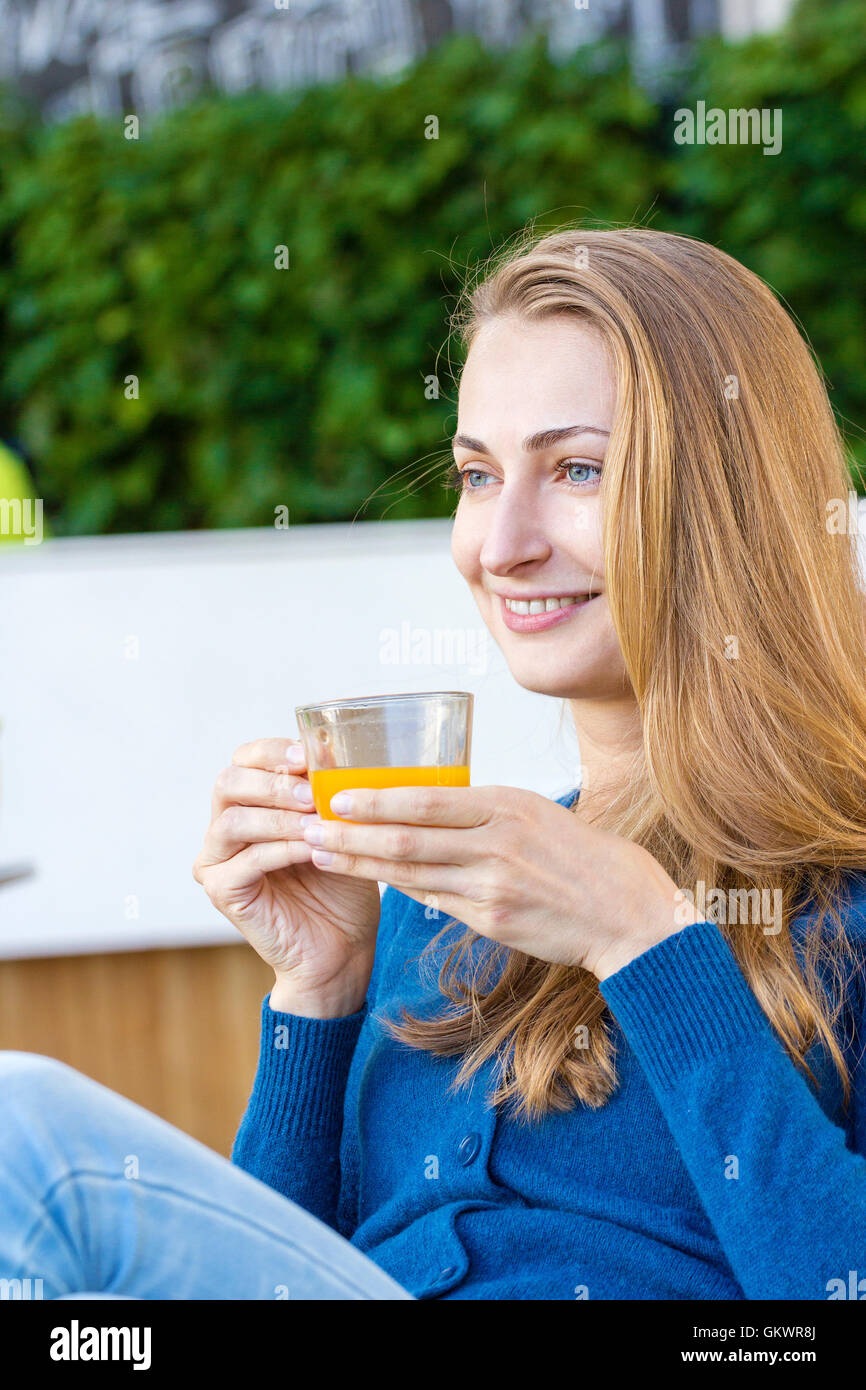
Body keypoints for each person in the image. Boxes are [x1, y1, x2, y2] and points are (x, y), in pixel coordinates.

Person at [3, 224, 866, 1301]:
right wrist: (317, 994)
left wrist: (645, 940)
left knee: (17, 1135)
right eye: (474, 474)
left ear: (727, 499)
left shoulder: (843, 890)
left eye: (577, 468)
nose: (497, 545)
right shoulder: (442, 901)